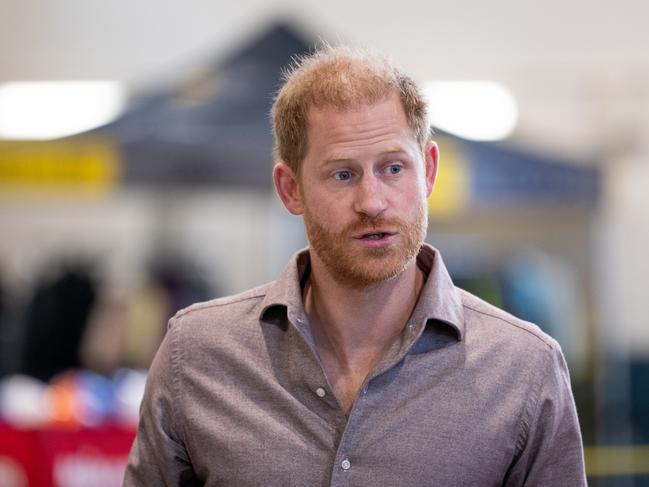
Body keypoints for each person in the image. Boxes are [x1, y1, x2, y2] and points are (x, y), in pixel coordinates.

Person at [124, 46, 586, 486]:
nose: (372, 202)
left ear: (427, 170)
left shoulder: (524, 370)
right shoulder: (197, 357)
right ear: (291, 190)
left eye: (393, 168)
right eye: (343, 174)